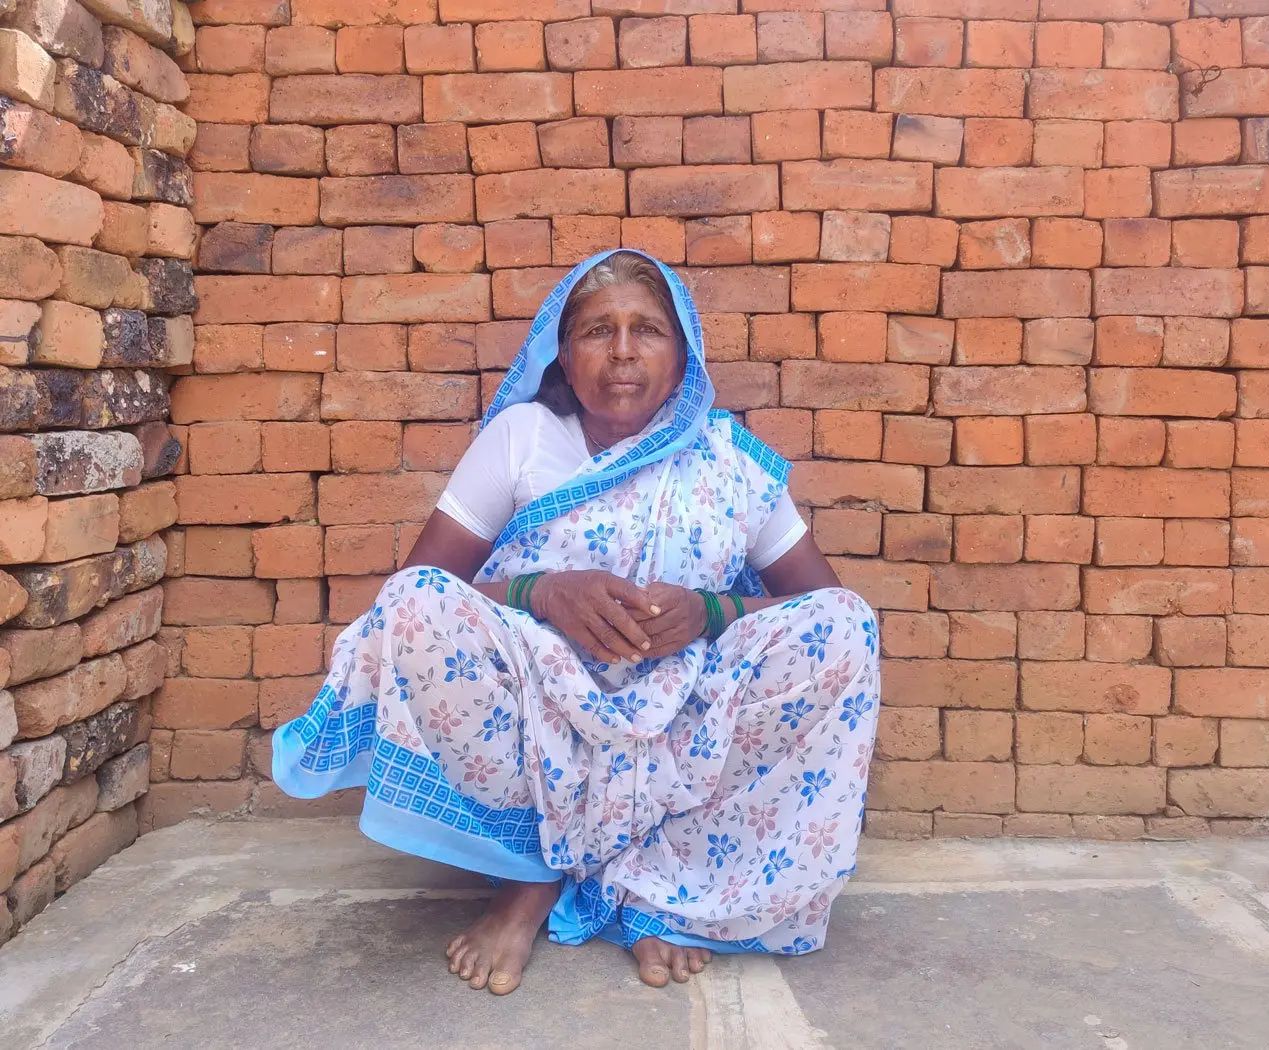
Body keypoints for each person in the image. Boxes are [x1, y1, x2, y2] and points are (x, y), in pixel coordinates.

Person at [272, 250, 881, 996]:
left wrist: (709, 611)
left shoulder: (730, 458)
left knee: (849, 627)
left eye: (647, 330)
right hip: (541, 709)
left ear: (682, 352)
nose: (623, 352)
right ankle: (531, 876)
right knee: (413, 609)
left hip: (684, 716)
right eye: (598, 330)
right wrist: (542, 592)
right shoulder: (523, 437)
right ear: (563, 352)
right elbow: (421, 583)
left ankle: (661, 892)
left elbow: (817, 603)